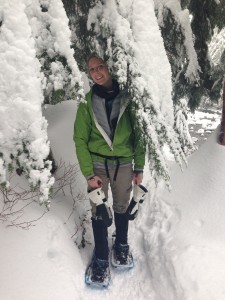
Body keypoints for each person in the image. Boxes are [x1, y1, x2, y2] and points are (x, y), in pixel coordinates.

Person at [74, 53, 145, 282]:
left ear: (109, 67)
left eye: (100, 66)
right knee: (98, 210)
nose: (96, 72)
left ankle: (122, 243)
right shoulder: (86, 103)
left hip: (123, 163)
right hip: (97, 164)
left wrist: (139, 166)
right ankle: (102, 256)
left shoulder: (128, 99)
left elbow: (140, 135)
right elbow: (80, 140)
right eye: (92, 69)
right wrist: (89, 174)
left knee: (122, 205)